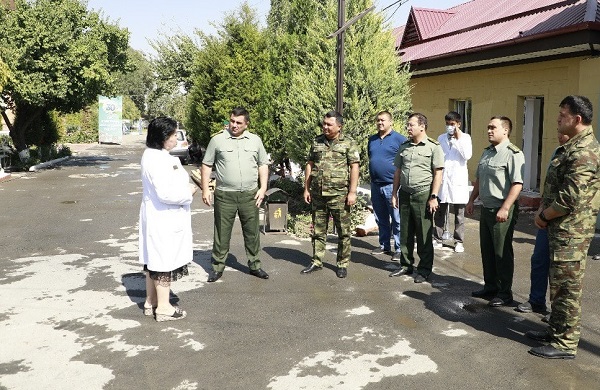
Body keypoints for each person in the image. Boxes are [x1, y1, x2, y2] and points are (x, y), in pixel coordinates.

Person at [525, 95, 600, 359]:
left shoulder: (585, 152)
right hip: (562, 230)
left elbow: (570, 198)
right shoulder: (572, 148)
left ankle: (565, 344)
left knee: (567, 289)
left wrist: (544, 216)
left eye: (561, 116)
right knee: (557, 285)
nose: (557, 120)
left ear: (577, 120)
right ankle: (555, 332)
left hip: (572, 233)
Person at [200, 107, 270, 282]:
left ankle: (255, 265)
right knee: (222, 233)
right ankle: (217, 267)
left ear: (246, 124)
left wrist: (262, 189)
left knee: (252, 232)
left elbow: (263, 165)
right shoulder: (217, 140)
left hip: (250, 195)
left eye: (239, 122)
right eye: (232, 121)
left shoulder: (255, 141)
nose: (234, 125)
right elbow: (207, 165)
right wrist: (205, 189)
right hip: (225, 195)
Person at [139, 117, 197, 322]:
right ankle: (163, 307)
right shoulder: (156, 159)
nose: (176, 138)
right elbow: (166, 193)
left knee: (154, 260)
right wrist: (189, 192)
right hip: (163, 217)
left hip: (162, 216)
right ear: (163, 137)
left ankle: (151, 301)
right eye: (173, 135)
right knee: (162, 262)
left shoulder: (158, 155)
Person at [466, 116, 524, 307]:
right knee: (488, 250)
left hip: (502, 210)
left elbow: (517, 184)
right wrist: (471, 200)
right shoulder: (487, 152)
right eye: (488, 127)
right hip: (487, 209)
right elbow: (479, 180)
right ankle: (491, 287)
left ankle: (505, 293)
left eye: (493, 127)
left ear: (505, 130)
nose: (489, 130)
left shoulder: (513, 153)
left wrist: (506, 207)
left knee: (501, 253)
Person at [302, 111, 360, 278]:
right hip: (318, 194)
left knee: (343, 232)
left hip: (339, 195)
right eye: (324, 124)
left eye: (329, 124)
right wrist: (306, 188)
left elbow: (354, 167)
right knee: (318, 230)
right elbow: (310, 164)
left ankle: (342, 263)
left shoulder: (348, 143)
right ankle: (317, 261)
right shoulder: (317, 141)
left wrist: (352, 192)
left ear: (339, 126)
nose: (325, 127)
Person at [516, 132, 569, 314]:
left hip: (565, 224)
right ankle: (536, 300)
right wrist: (541, 209)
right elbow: (549, 187)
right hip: (547, 219)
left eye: (564, 131)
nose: (560, 134)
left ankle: (558, 315)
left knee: (561, 271)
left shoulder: (579, 156)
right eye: (558, 130)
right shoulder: (557, 153)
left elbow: (569, 197)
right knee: (539, 260)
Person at [390, 113, 444, 283]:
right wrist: (394, 193)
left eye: (411, 125)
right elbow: (398, 171)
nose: (408, 128)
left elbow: (438, 174)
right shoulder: (404, 146)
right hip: (405, 194)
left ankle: (424, 269)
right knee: (405, 232)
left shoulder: (434, 147)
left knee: (423, 234)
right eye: (408, 125)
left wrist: (434, 196)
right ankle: (406, 265)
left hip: (423, 194)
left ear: (422, 126)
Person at [367, 111, 406, 260]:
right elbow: (372, 157)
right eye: (378, 120)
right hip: (375, 184)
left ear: (391, 122)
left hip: (392, 185)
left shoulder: (399, 140)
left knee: (396, 218)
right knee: (380, 217)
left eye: (383, 120)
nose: (380, 123)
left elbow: (403, 163)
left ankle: (399, 248)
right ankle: (384, 246)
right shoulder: (372, 140)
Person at [433, 111, 472, 253]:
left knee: (459, 214)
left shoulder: (466, 138)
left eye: (452, 124)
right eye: (447, 124)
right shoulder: (441, 138)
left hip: (458, 181)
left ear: (458, 124)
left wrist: (458, 138)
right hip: (444, 181)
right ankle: (438, 238)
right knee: (439, 212)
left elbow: (467, 155)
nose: (449, 127)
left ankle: (458, 241)